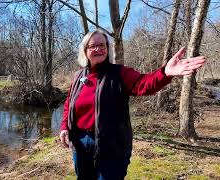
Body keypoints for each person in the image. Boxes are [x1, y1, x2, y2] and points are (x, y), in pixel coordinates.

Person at [59, 29, 205, 180]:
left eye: (102, 45)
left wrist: (165, 73)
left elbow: (144, 83)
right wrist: (64, 127)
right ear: (85, 50)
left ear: (108, 49)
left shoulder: (119, 73)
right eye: (93, 46)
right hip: (81, 143)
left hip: (112, 145)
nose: (98, 49)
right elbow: (69, 103)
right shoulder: (78, 77)